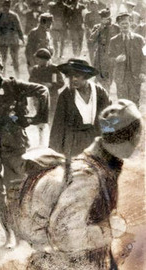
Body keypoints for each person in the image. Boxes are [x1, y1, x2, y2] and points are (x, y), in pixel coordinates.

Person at [17, 99, 142, 270]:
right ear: (133, 136)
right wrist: (109, 231)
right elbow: (66, 233)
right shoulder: (88, 176)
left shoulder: (101, 167)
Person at [0, 50, 49, 249]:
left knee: (16, 187)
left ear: (1, 69)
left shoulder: (13, 85)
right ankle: (9, 233)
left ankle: (22, 229)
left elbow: (42, 90)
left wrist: (37, 118)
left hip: (14, 144)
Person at [49, 59, 111, 158]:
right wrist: (54, 152)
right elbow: (58, 126)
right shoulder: (65, 96)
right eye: (70, 77)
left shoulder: (100, 93)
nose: (73, 79)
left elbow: (108, 120)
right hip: (73, 143)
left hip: (95, 139)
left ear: (86, 76)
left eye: (77, 76)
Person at [108, 12, 146, 105]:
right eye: (122, 24)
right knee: (122, 104)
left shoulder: (139, 39)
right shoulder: (113, 40)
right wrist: (116, 59)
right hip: (121, 78)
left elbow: (145, 57)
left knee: (135, 103)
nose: (124, 26)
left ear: (131, 24)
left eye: (126, 23)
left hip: (135, 76)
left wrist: (143, 72)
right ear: (118, 25)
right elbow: (109, 58)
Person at [28, 49, 63, 147]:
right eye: (37, 59)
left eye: (40, 60)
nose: (37, 61)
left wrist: (51, 85)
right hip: (39, 99)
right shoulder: (35, 70)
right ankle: (41, 142)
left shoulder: (54, 69)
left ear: (46, 60)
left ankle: (52, 141)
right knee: (40, 120)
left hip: (52, 98)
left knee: (52, 119)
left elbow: (61, 83)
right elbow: (30, 82)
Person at [0, 0, 25, 76]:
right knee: (2, 59)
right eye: (4, 6)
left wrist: (22, 38)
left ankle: (17, 76)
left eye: (7, 6)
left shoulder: (14, 16)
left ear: (9, 7)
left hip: (13, 40)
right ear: (2, 7)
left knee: (15, 59)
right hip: (2, 40)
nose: (5, 8)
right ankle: (3, 75)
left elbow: (19, 28)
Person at [89, 9, 119, 91]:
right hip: (100, 56)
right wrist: (99, 29)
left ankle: (106, 95)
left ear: (109, 18)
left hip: (110, 56)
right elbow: (91, 40)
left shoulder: (116, 28)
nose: (104, 20)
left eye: (105, 18)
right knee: (98, 76)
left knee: (108, 79)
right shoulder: (97, 27)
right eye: (102, 18)